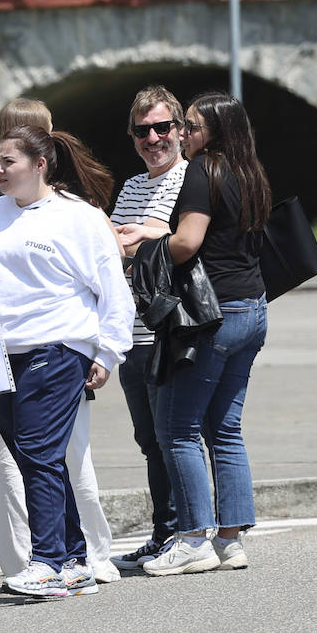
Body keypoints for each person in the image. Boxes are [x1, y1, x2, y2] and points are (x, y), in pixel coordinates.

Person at [0, 125, 133, 597]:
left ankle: (48, 561)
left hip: (56, 347)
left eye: (8, 161)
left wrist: (107, 352)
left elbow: (114, 291)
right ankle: (75, 560)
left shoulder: (78, 218)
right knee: (36, 458)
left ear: (40, 165)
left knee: (38, 452)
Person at [117, 92, 271, 577]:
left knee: (176, 430)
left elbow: (186, 245)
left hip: (215, 314)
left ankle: (191, 540)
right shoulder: (250, 172)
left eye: (191, 125)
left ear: (214, 131)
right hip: (253, 307)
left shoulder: (204, 172)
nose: (183, 133)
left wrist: (142, 241)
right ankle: (230, 541)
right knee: (224, 428)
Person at [106, 85, 188, 571]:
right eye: (143, 131)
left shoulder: (191, 179)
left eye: (162, 128)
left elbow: (194, 237)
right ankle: (164, 530)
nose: (153, 138)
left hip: (171, 327)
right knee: (149, 438)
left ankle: (189, 528)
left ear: (180, 130)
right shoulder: (134, 186)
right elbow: (115, 249)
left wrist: (147, 237)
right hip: (131, 330)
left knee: (175, 434)